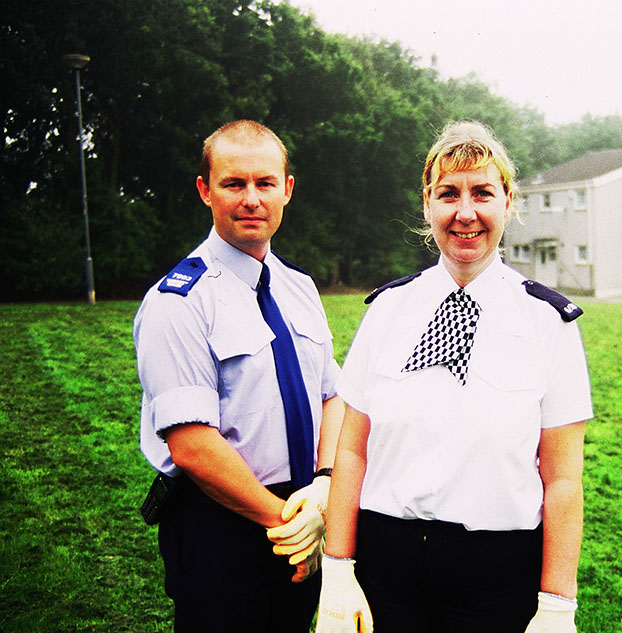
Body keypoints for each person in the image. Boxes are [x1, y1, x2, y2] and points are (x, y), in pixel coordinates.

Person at [315, 120, 593, 633]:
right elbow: (351, 450)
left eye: (482, 192)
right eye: (449, 194)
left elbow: (563, 481)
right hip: (386, 567)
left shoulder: (548, 323)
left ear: (508, 203)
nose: (466, 213)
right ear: (428, 205)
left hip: (496, 574)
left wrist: (558, 605)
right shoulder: (388, 310)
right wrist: (337, 570)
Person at [134, 120, 343, 633]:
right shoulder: (178, 302)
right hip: (223, 527)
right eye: (234, 183)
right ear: (206, 190)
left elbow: (331, 397)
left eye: (265, 183)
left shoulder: (299, 288)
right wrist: (289, 524)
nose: (252, 199)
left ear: (286, 190)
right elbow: (191, 444)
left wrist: (324, 487)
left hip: (303, 512)